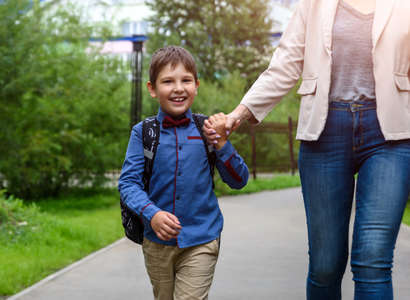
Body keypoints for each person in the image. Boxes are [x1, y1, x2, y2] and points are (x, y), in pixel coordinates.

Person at [204, 0, 410, 299]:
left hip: (389, 135)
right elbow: (285, 65)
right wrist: (238, 114)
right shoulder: (314, 4)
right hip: (325, 133)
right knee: (325, 265)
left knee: (373, 261)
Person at [118, 46, 249, 300]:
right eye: (168, 81)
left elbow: (239, 180)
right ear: (152, 89)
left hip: (202, 237)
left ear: (196, 85)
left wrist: (222, 144)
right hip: (156, 242)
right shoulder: (143, 133)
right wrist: (151, 214)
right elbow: (128, 184)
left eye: (186, 80)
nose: (178, 88)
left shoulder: (208, 130)